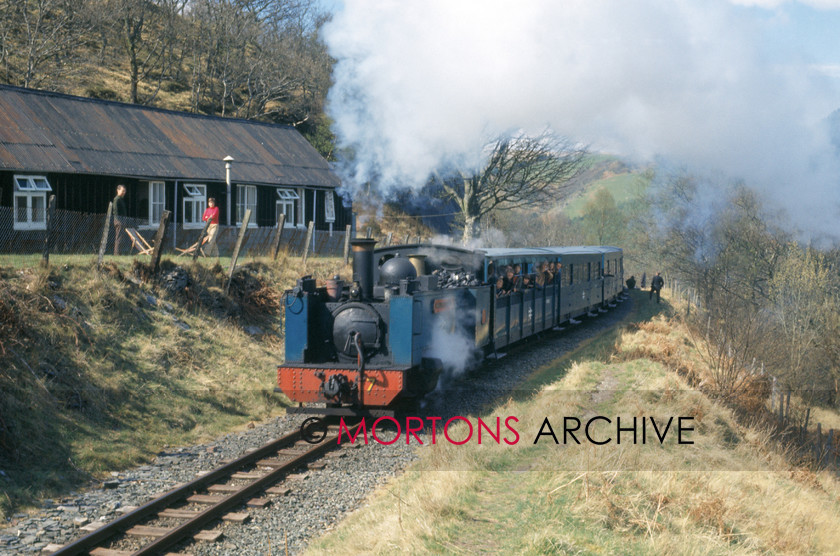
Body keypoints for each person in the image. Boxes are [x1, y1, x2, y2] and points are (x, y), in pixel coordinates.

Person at [113, 184, 127, 255]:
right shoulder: (117, 199)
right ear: (118, 190)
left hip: (122, 221)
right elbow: (115, 211)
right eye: (122, 191)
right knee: (119, 237)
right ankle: (117, 254)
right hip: (119, 221)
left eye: (125, 191)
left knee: (121, 237)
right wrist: (119, 221)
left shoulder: (121, 199)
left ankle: (119, 253)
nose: (124, 192)